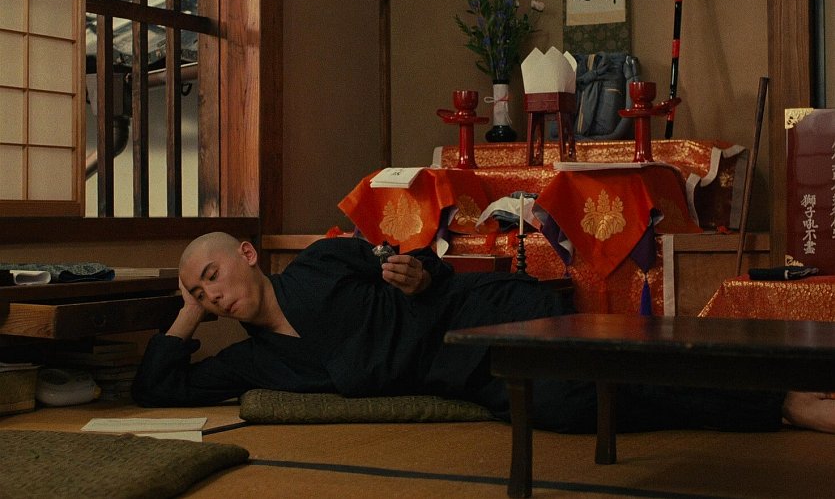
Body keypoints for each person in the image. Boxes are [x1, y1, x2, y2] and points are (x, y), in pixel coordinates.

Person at [132, 232, 835, 434]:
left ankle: (787, 390)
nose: (211, 293)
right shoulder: (258, 364)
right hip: (466, 374)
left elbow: (411, 259)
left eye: (212, 275)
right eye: (200, 292)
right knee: (567, 406)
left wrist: (418, 274)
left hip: (474, 313)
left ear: (248, 254)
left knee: (597, 350)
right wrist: (186, 311)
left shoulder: (320, 263)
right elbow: (156, 390)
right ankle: (775, 405)